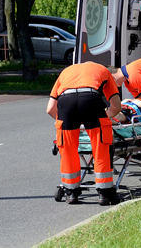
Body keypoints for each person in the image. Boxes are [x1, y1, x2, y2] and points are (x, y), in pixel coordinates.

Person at [46, 62, 121, 205]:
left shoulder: (65, 72)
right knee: (101, 147)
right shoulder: (103, 70)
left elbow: (50, 109)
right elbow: (117, 106)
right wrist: (105, 117)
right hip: (91, 100)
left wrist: (68, 120)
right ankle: (105, 194)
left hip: (66, 103)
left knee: (67, 150)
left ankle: (71, 192)